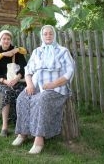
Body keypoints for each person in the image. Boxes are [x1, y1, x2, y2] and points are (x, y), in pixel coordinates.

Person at [11, 25, 75, 154]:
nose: (48, 36)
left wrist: (53, 84)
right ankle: (23, 133)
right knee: (22, 98)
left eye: (50, 33)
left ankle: (39, 139)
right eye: (45, 34)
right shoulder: (37, 51)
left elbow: (69, 72)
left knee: (42, 100)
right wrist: (29, 85)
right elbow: (28, 70)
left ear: (54, 35)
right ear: (42, 36)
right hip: (36, 85)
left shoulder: (63, 51)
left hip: (57, 88)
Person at [0, 30, 27, 137]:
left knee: (21, 92)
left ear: (11, 40)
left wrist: (17, 78)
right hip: (4, 82)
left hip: (18, 80)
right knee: (7, 92)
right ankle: (5, 126)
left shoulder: (17, 52)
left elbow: (24, 67)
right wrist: (6, 81)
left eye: (8, 39)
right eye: (4, 39)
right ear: (0, 40)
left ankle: (20, 123)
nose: (6, 41)